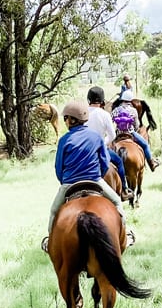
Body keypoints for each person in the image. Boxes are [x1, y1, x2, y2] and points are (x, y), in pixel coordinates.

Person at [42, 100, 130, 252]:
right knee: (116, 202)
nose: (65, 121)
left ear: (71, 120)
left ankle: (50, 242)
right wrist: (97, 176)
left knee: (54, 212)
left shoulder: (64, 140)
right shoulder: (96, 137)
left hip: (69, 184)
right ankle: (125, 236)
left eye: (65, 118)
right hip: (95, 180)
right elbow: (104, 163)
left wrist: (66, 181)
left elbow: (58, 168)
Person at [84, 86, 132, 201]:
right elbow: (112, 136)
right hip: (101, 149)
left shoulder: (83, 113)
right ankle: (124, 190)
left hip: (84, 149)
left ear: (88, 99)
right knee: (119, 162)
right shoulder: (104, 114)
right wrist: (102, 142)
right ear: (102, 100)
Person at [111, 90, 160, 171]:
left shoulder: (116, 110)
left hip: (118, 134)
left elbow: (111, 121)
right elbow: (136, 125)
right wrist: (134, 129)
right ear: (130, 99)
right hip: (131, 133)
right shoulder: (133, 110)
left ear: (122, 99)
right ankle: (152, 163)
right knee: (145, 145)